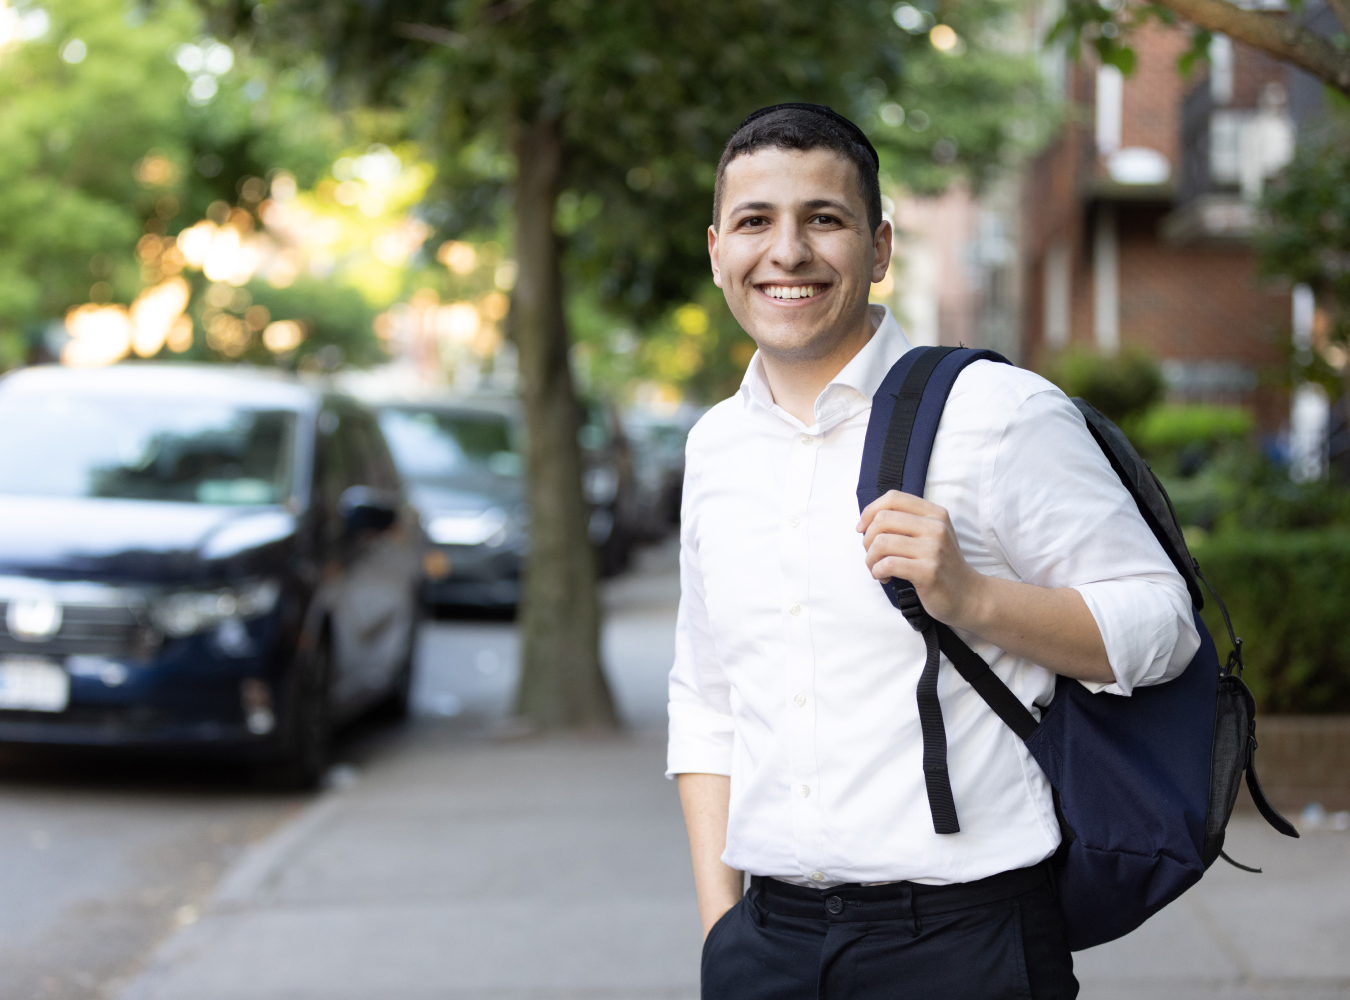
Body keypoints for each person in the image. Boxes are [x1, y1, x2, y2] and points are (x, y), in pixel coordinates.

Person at [666, 103, 1200, 999]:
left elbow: (1162, 625)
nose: (787, 252)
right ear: (718, 248)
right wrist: (723, 929)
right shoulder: (714, 448)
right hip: (767, 944)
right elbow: (705, 695)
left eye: (823, 220)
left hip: (965, 943)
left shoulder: (999, 414)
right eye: (756, 222)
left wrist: (975, 597)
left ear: (878, 250)